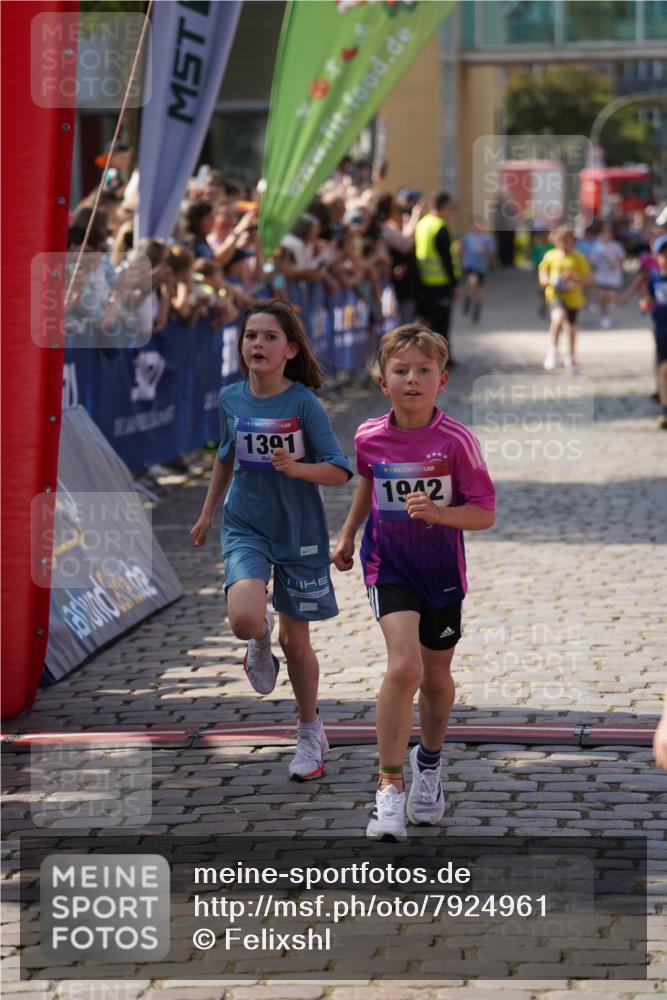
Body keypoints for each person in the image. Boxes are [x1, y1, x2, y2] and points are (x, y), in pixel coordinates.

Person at [332, 324, 495, 840]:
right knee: (403, 667)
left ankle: (429, 763)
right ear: (384, 381)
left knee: (436, 678)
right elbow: (368, 482)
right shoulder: (368, 435)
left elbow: (485, 513)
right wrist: (347, 534)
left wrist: (441, 515)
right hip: (389, 564)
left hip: (441, 572)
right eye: (401, 370)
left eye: (423, 371)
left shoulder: (457, 441)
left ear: (441, 381)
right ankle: (389, 787)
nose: (411, 379)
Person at [191, 301, 353, 780]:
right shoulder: (231, 399)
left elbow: (340, 470)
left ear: (290, 350)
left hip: (298, 530)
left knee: (296, 641)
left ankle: (309, 731)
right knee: (244, 618)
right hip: (246, 524)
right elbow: (224, 456)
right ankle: (258, 642)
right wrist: (206, 514)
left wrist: (297, 468)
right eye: (250, 336)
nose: (257, 344)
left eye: (268, 337)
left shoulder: (303, 403)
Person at [538, 226, 592, 374]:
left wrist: (575, 278)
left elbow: (588, 278)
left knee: (571, 329)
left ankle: (571, 356)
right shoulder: (551, 255)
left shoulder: (578, 257)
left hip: (573, 298)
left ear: (573, 241)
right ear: (555, 241)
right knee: (558, 317)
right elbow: (543, 270)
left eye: (567, 241)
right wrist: (545, 280)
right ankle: (553, 350)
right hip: (555, 295)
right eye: (561, 241)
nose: (564, 244)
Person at [414, 192, 460, 362]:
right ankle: (443, 358)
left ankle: (426, 356)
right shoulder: (440, 226)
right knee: (442, 325)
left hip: (423, 283)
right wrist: (454, 283)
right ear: (445, 206)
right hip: (441, 283)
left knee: (427, 323)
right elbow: (446, 258)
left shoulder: (422, 224)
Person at [640, 234, 667, 429]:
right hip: (661, 329)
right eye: (663, 254)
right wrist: (645, 304)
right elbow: (649, 299)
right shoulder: (654, 278)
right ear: (656, 257)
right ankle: (665, 408)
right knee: (663, 369)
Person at [589, 224, 626, 329]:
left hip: (613, 276)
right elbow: (592, 260)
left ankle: (608, 306)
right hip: (601, 275)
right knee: (602, 296)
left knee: (609, 295)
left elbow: (622, 258)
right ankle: (605, 316)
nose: (606, 236)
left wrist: (617, 264)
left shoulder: (616, 246)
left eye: (608, 234)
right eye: (604, 233)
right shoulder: (596, 246)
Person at [460, 221, 495, 323]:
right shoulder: (468, 237)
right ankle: (468, 300)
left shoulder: (487, 238)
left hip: (480, 267)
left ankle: (477, 309)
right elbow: (461, 248)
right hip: (469, 265)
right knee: (472, 283)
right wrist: (461, 252)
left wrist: (484, 251)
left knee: (479, 291)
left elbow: (492, 252)